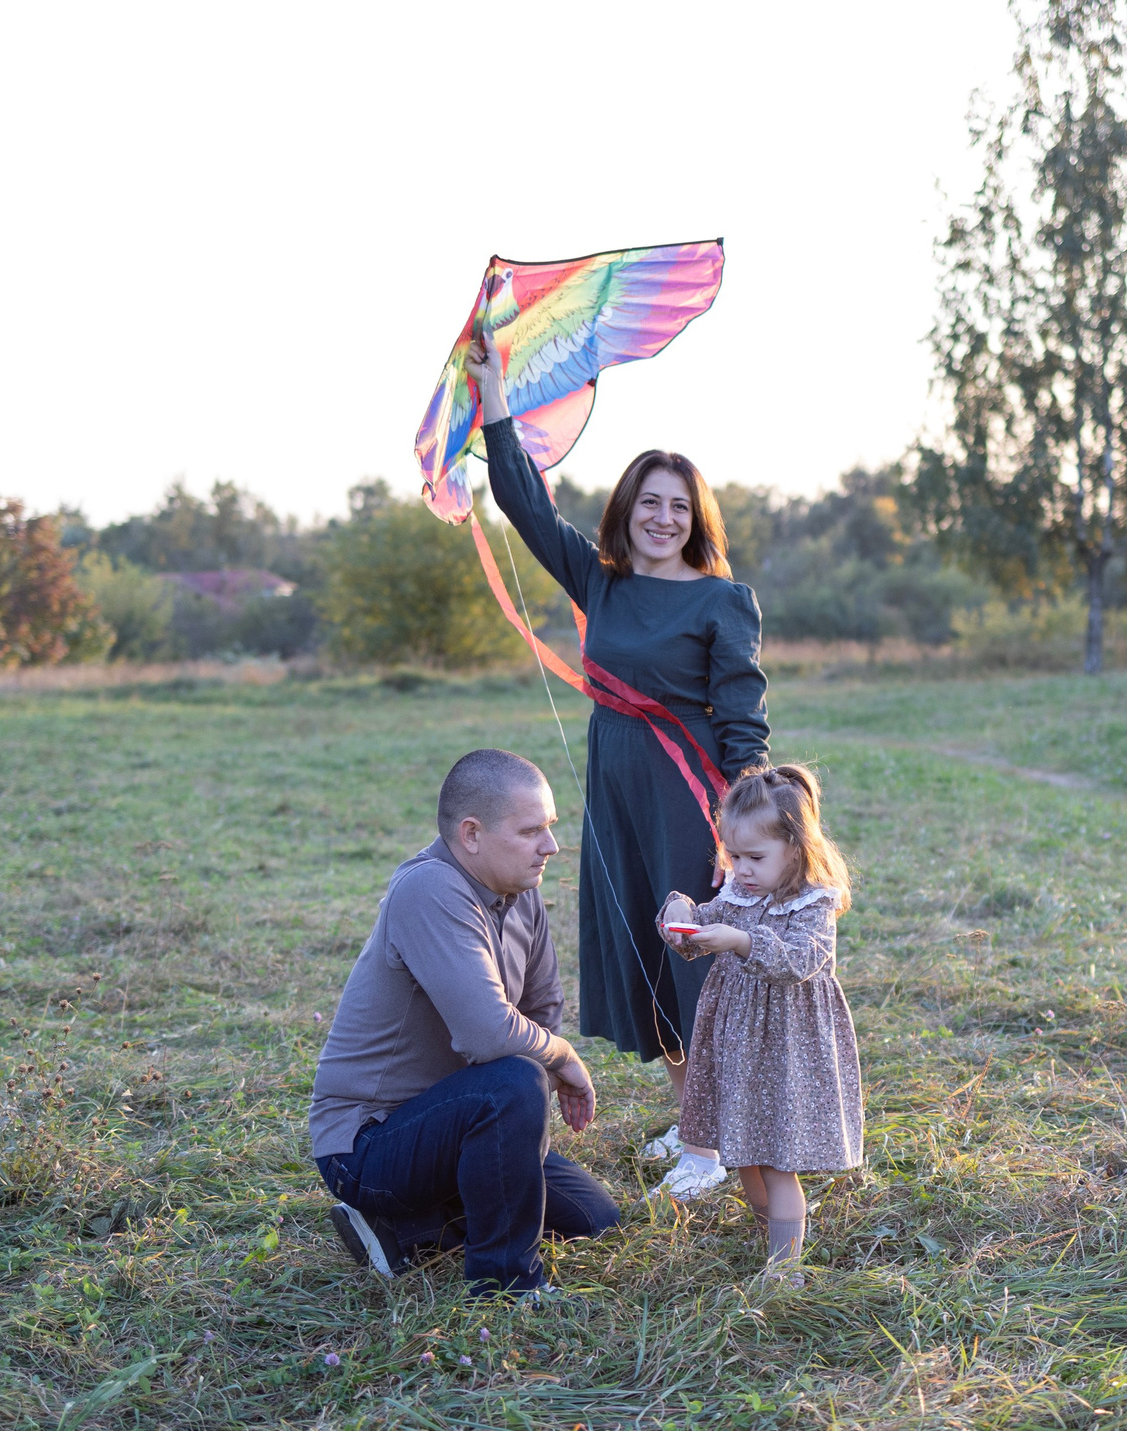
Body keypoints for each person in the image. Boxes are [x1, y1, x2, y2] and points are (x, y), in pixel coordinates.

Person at [468, 327, 769, 1204]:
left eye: (679, 505)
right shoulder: (599, 581)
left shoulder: (723, 600)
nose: (663, 517)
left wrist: (743, 820)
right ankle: (697, 1121)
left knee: (693, 956)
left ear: (696, 516)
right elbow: (524, 504)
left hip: (687, 790)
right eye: (649, 502)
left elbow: (743, 715)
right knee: (644, 951)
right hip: (613, 790)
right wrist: (496, 404)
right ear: (627, 512)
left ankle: (713, 1147)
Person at [310, 748, 619, 1300]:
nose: (550, 846)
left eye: (549, 828)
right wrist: (564, 1057)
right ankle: (506, 1286)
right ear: (471, 834)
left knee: (594, 1217)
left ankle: (407, 1232)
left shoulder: (522, 893)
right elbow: (488, 1036)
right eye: (531, 831)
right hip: (369, 1145)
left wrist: (529, 1092)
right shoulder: (428, 888)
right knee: (514, 1080)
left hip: (464, 1120)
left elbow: (543, 1007)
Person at [657, 764, 863, 1275]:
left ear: (795, 847)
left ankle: (784, 1269)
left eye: (755, 857)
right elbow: (703, 929)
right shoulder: (739, 893)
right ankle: (771, 1228)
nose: (741, 869)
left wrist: (743, 941)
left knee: (775, 1159)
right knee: (742, 1151)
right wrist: (683, 918)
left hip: (787, 1047)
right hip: (738, 1043)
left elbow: (800, 962)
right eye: (733, 856)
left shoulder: (813, 902)